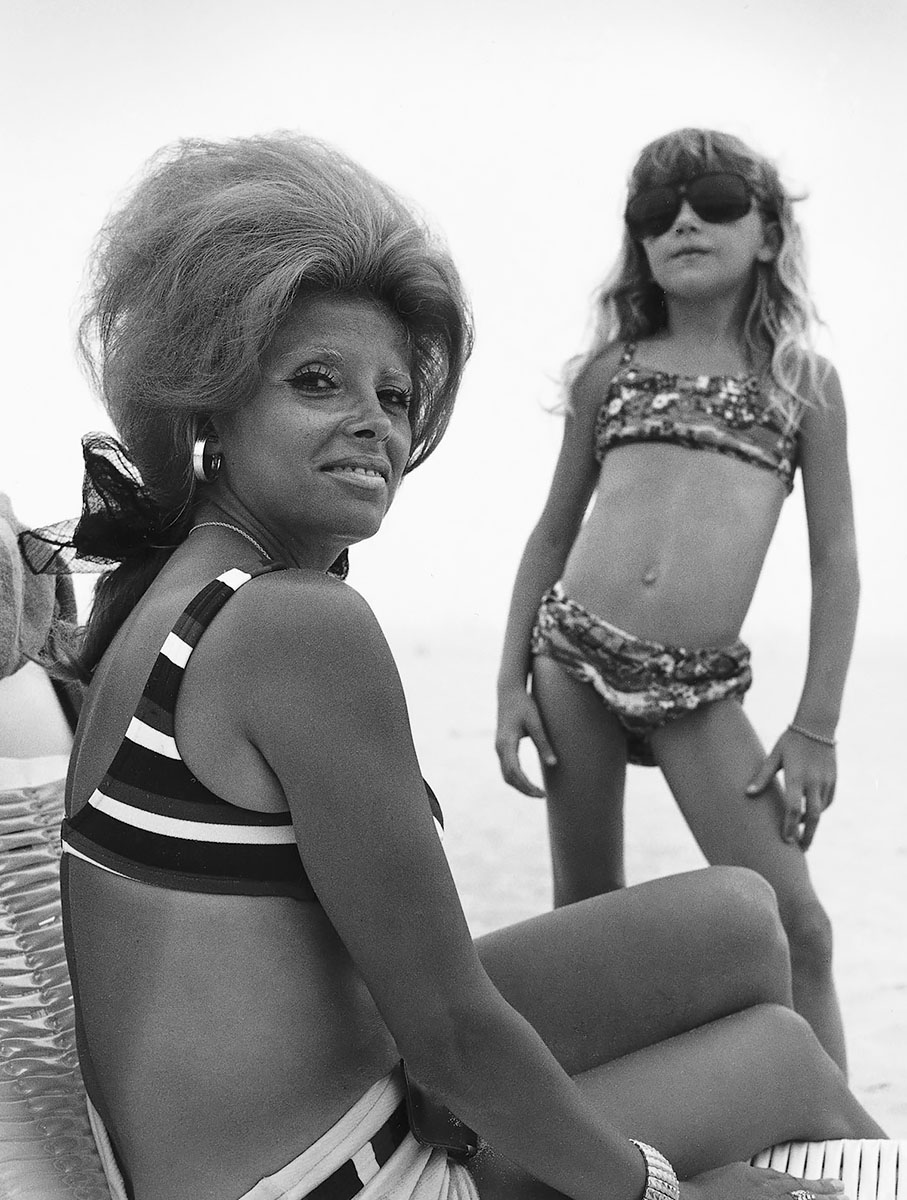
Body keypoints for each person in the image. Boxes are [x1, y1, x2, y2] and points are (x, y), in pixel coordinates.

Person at [29, 133, 883, 1200]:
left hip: (316, 1109)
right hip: (342, 1177)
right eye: (316, 383)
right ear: (211, 402)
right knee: (778, 1062)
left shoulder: (178, 591)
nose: (370, 427)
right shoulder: (295, 628)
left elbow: (394, 996)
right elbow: (450, 1040)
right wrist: (663, 1194)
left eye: (395, 398)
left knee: (746, 919)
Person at [495, 128, 857, 1072]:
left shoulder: (800, 385)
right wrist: (507, 687)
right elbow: (549, 533)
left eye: (714, 201)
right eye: (656, 213)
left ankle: (837, 1146)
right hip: (570, 657)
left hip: (698, 686)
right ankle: (589, 1126)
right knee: (589, 920)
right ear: (639, 243)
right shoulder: (608, 375)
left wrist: (814, 724)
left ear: (769, 234)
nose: (684, 221)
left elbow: (836, 560)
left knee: (798, 923)